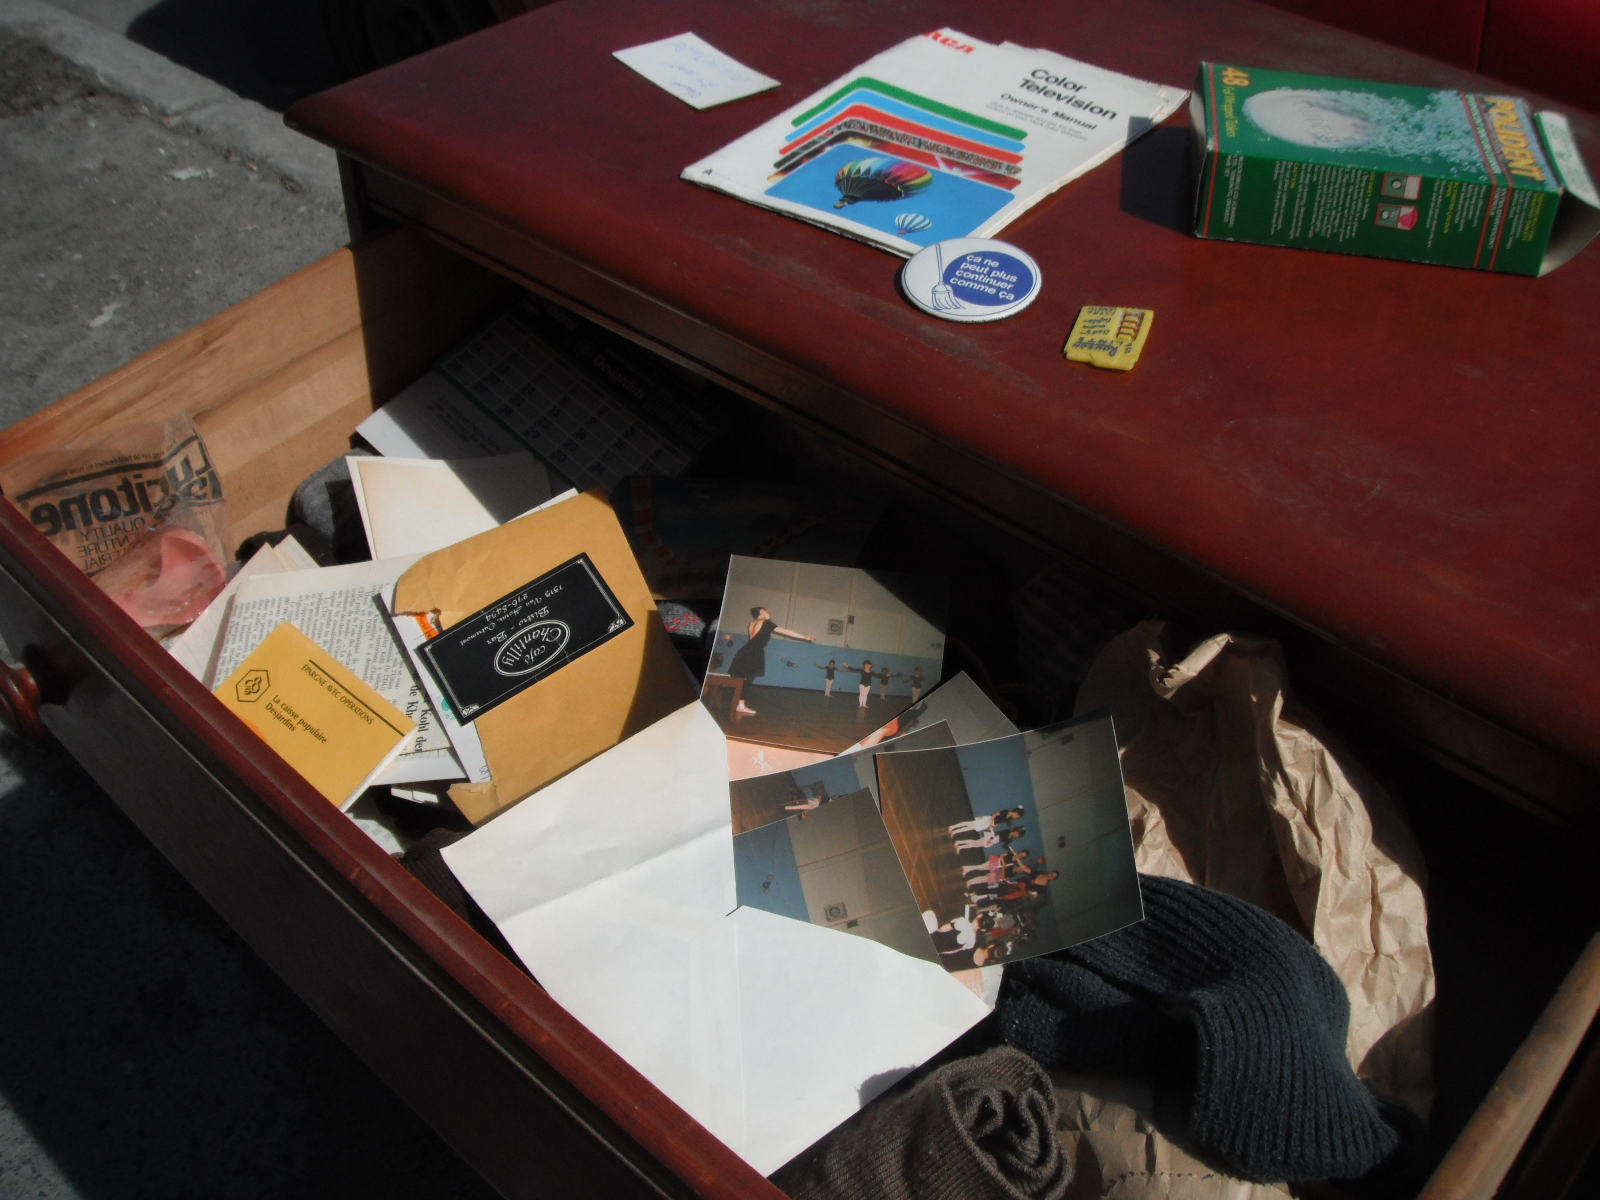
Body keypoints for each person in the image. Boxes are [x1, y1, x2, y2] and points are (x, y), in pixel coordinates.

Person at [726, 606, 814, 715]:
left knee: (742, 678)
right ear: (762, 611)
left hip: (744, 651)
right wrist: (804, 637)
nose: (769, 612)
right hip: (754, 652)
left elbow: (753, 639)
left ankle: (738, 703)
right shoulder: (766, 623)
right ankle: (740, 704)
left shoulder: (751, 624)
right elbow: (785, 631)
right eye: (766, 610)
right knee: (748, 679)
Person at [948, 807, 1025, 836]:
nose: (1016, 818)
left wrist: (991, 826)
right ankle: (953, 827)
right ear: (1016, 813)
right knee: (970, 824)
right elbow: (995, 815)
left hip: (990, 823)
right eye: (1017, 816)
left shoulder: (1008, 818)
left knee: (971, 828)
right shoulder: (1006, 811)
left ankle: (955, 832)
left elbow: (999, 823)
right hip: (988, 819)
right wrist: (991, 823)